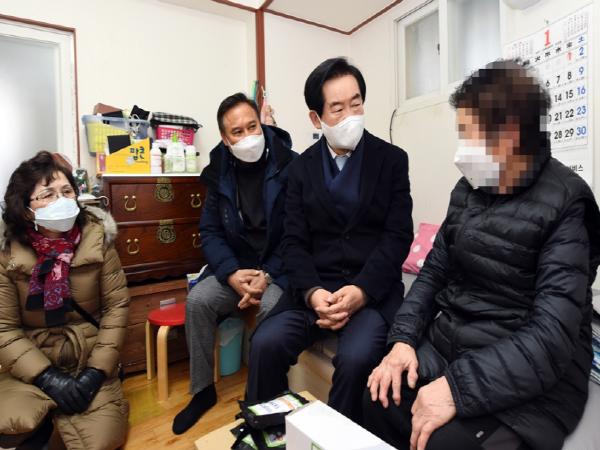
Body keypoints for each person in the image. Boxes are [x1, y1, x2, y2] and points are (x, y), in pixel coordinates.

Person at [363, 60, 600, 450]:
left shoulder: (566, 202)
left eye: (466, 134)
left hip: (531, 377)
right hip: (454, 348)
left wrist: (456, 389)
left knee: (442, 443)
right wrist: (403, 340)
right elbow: (433, 273)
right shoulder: (468, 190)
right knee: (378, 396)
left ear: (508, 135)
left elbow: (552, 337)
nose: (461, 149)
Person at [246, 57, 414, 423]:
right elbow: (293, 242)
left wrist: (362, 291)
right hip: (315, 293)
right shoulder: (299, 169)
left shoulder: (391, 160)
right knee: (264, 343)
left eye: (356, 104)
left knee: (356, 360)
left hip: (370, 295)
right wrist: (312, 293)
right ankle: (265, 432)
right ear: (315, 118)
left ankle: (331, 441)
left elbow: (398, 236)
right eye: (337, 109)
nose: (350, 116)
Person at [172, 93, 296, 435]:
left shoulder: (291, 165)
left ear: (262, 125)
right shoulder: (218, 173)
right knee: (198, 301)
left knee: (272, 310)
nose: (248, 136)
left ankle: (260, 395)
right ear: (225, 139)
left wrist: (267, 274)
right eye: (237, 132)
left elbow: (297, 233)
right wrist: (230, 273)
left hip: (277, 270)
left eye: (252, 126)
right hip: (236, 269)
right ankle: (202, 391)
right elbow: (210, 231)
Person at [0, 151, 129, 450]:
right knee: (11, 424)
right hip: (32, 362)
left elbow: (116, 308)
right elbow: (4, 329)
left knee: (101, 442)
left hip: (88, 357)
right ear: (26, 210)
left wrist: (96, 373)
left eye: (67, 191)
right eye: (48, 194)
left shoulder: (98, 239)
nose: (62, 200)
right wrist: (46, 378)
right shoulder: (7, 254)